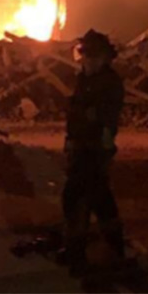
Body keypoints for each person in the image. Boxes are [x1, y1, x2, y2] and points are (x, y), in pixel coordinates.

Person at [59, 29, 125, 276]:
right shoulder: (84, 79)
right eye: (85, 55)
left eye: (93, 56)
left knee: (83, 198)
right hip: (80, 147)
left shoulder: (109, 82)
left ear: (105, 58)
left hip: (94, 149)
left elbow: (108, 119)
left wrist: (104, 147)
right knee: (89, 199)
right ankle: (90, 249)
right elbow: (75, 114)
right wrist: (70, 141)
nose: (88, 60)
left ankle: (93, 251)